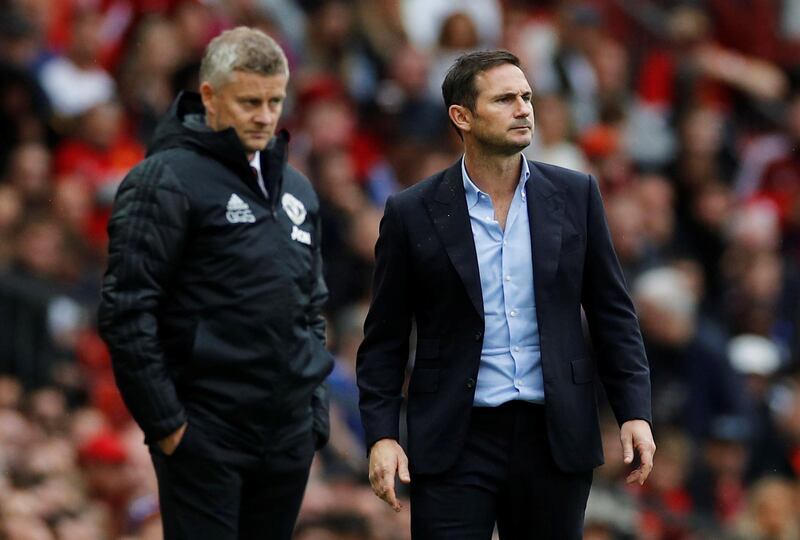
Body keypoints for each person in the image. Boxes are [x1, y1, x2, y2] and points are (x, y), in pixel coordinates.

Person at [356, 50, 656, 539]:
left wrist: (635, 412)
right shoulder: (412, 211)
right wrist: (383, 435)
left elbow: (612, 314)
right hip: (454, 437)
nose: (523, 108)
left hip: (553, 434)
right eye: (505, 99)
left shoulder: (576, 194)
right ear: (463, 116)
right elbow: (385, 338)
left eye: (526, 97)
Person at [98, 27, 333, 540]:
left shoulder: (296, 188)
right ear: (209, 96)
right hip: (205, 432)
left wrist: (311, 414)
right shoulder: (164, 179)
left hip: (287, 434)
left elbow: (310, 308)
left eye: (275, 101)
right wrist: (168, 426)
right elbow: (126, 311)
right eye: (250, 101)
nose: (265, 116)